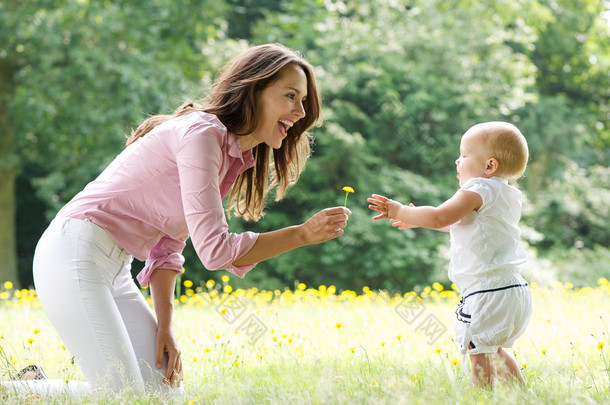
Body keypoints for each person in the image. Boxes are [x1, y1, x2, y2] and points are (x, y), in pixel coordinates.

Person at [4, 43, 350, 396]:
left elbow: (169, 245)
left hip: (113, 269)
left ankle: (32, 387)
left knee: (165, 393)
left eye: (303, 100)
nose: (300, 111)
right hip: (75, 251)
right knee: (120, 396)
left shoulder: (230, 156)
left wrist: (165, 328)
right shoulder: (203, 135)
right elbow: (215, 251)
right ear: (253, 90)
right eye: (291, 96)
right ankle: (13, 391)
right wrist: (302, 234)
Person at [367, 121, 532, 388]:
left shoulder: (478, 188)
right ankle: (522, 395)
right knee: (492, 351)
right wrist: (418, 219)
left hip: (487, 292)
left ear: (489, 166)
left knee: (478, 354)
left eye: (465, 155)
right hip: (513, 290)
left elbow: (439, 215)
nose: (458, 161)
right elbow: (455, 222)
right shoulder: (507, 194)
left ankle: (481, 397)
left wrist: (400, 211)